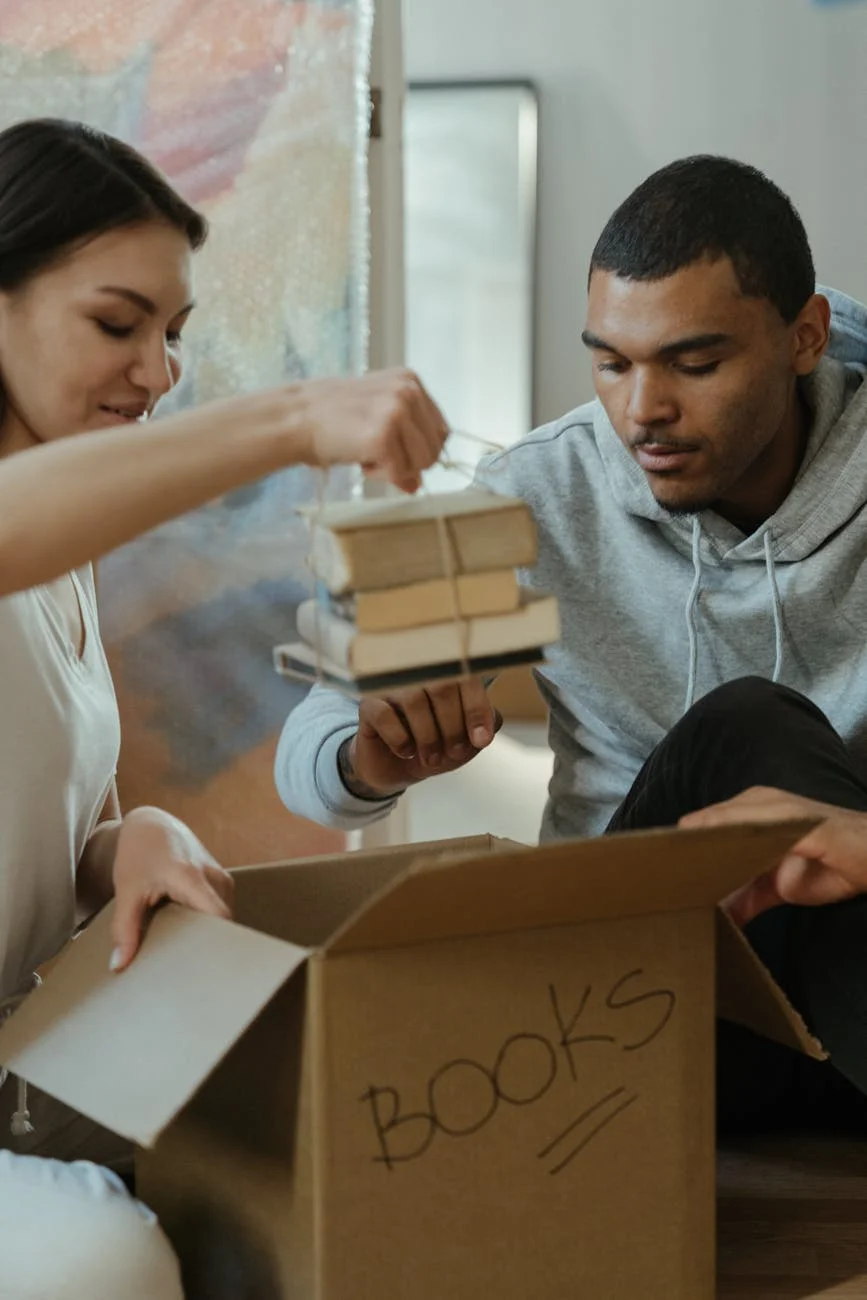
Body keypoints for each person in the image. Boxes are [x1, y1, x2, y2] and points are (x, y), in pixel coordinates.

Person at [275, 154, 867, 1138]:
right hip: (631, 1008)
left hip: (839, 989)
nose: (643, 411)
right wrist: (367, 751)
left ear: (805, 337)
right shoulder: (536, 491)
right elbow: (309, 756)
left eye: (695, 362)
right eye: (611, 361)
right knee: (746, 726)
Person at [0, 117, 447, 1299]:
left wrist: (136, 838)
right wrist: (296, 418)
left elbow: (73, 820)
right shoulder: (26, 527)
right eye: (117, 323)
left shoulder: (66, 557)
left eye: (175, 332)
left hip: (29, 1056)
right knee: (108, 1261)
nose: (158, 372)